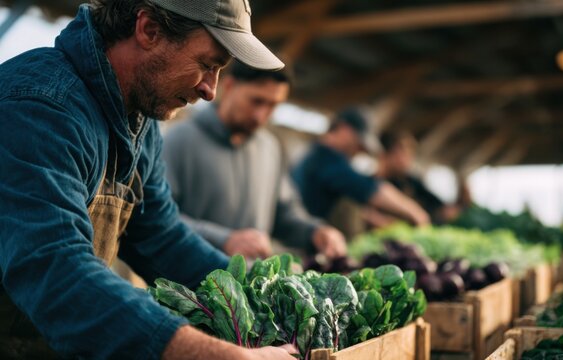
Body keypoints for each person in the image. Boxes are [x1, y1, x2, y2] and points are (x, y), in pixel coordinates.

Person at [0, 0, 295, 359]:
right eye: (206, 64)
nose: (210, 90)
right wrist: (221, 356)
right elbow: (53, 266)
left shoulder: (140, 119)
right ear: (149, 30)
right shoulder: (40, 107)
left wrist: (269, 298)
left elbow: (161, 238)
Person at [162, 60, 346, 260]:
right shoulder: (179, 140)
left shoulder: (270, 148)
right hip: (186, 285)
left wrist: (315, 233)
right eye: (256, 101)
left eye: (272, 106)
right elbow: (160, 217)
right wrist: (224, 239)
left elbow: (283, 214)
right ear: (229, 86)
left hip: (249, 288)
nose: (261, 116)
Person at [291, 107, 430, 230]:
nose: (360, 151)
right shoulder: (325, 159)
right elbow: (368, 188)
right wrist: (415, 213)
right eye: (359, 144)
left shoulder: (316, 153)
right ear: (344, 129)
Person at [376, 130, 460, 225]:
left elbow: (435, 202)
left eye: (409, 155)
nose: (406, 160)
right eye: (401, 154)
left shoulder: (410, 181)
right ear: (385, 155)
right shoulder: (374, 183)